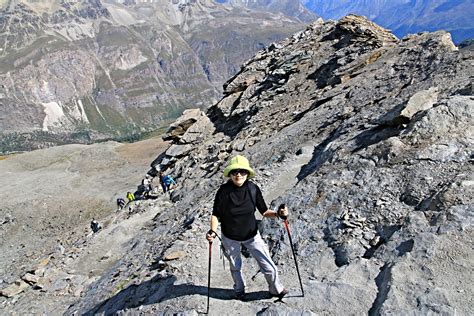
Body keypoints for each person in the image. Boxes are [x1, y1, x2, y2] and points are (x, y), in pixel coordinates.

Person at [206, 155, 289, 300]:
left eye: (242, 171)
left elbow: (264, 211)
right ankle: (239, 290)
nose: (238, 174)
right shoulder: (223, 191)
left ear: (247, 173)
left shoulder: (253, 189)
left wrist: (278, 214)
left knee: (269, 265)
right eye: (234, 171)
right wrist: (212, 231)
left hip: (252, 235)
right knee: (235, 266)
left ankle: (276, 289)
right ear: (230, 174)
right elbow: (215, 215)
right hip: (230, 237)